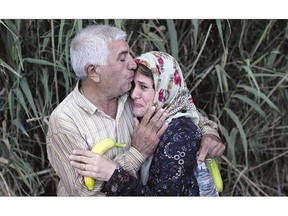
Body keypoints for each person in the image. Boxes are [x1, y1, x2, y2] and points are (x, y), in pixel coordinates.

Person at [47, 24, 225, 196]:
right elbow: (84, 193)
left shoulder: (129, 92)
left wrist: (208, 132)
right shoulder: (65, 121)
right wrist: (137, 153)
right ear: (93, 71)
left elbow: (177, 108)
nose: (133, 63)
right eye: (122, 58)